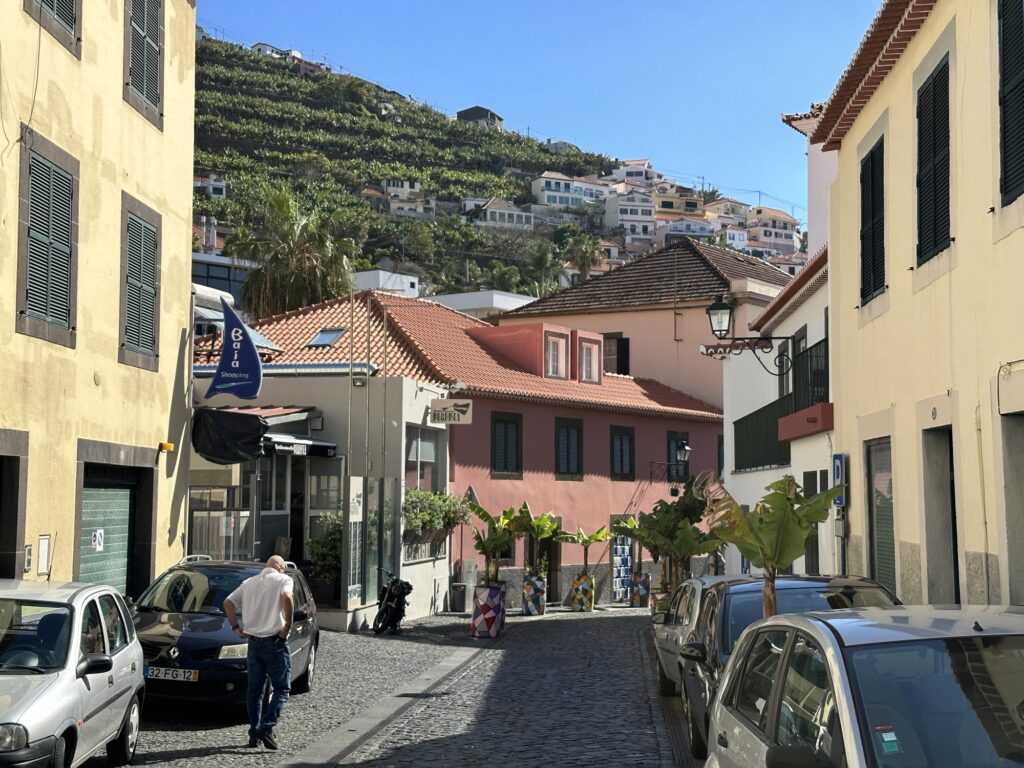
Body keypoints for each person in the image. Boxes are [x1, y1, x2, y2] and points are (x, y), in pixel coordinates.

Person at [223, 555, 294, 750]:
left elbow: (228, 603)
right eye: (284, 568)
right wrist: (287, 625)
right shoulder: (284, 580)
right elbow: (287, 597)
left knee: (254, 691)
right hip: (275, 641)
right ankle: (267, 726)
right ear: (280, 567)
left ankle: (254, 732)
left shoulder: (248, 583)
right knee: (282, 688)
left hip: (253, 642)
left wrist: (236, 627)